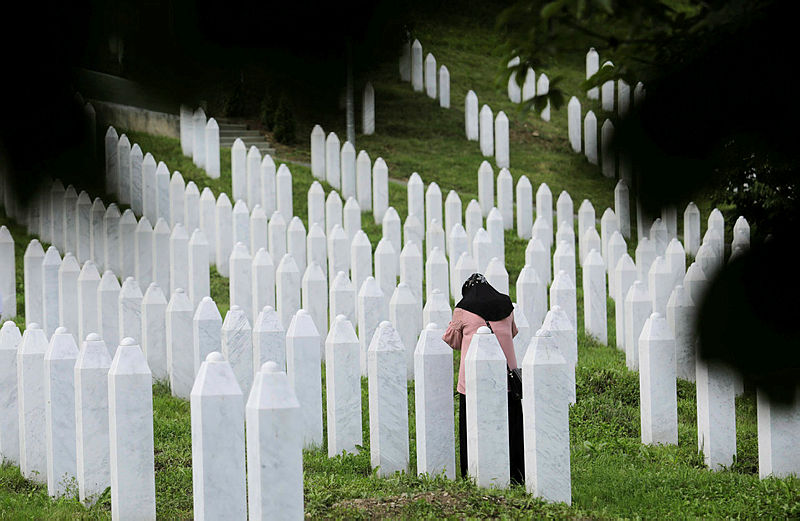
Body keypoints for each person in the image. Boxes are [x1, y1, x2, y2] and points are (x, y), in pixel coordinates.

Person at [442, 273, 524, 484]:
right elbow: (512, 332)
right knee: (511, 426)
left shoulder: (462, 309)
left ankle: (471, 472)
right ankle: (516, 474)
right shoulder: (507, 304)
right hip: (506, 379)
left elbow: (452, 340)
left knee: (472, 427)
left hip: (472, 381)